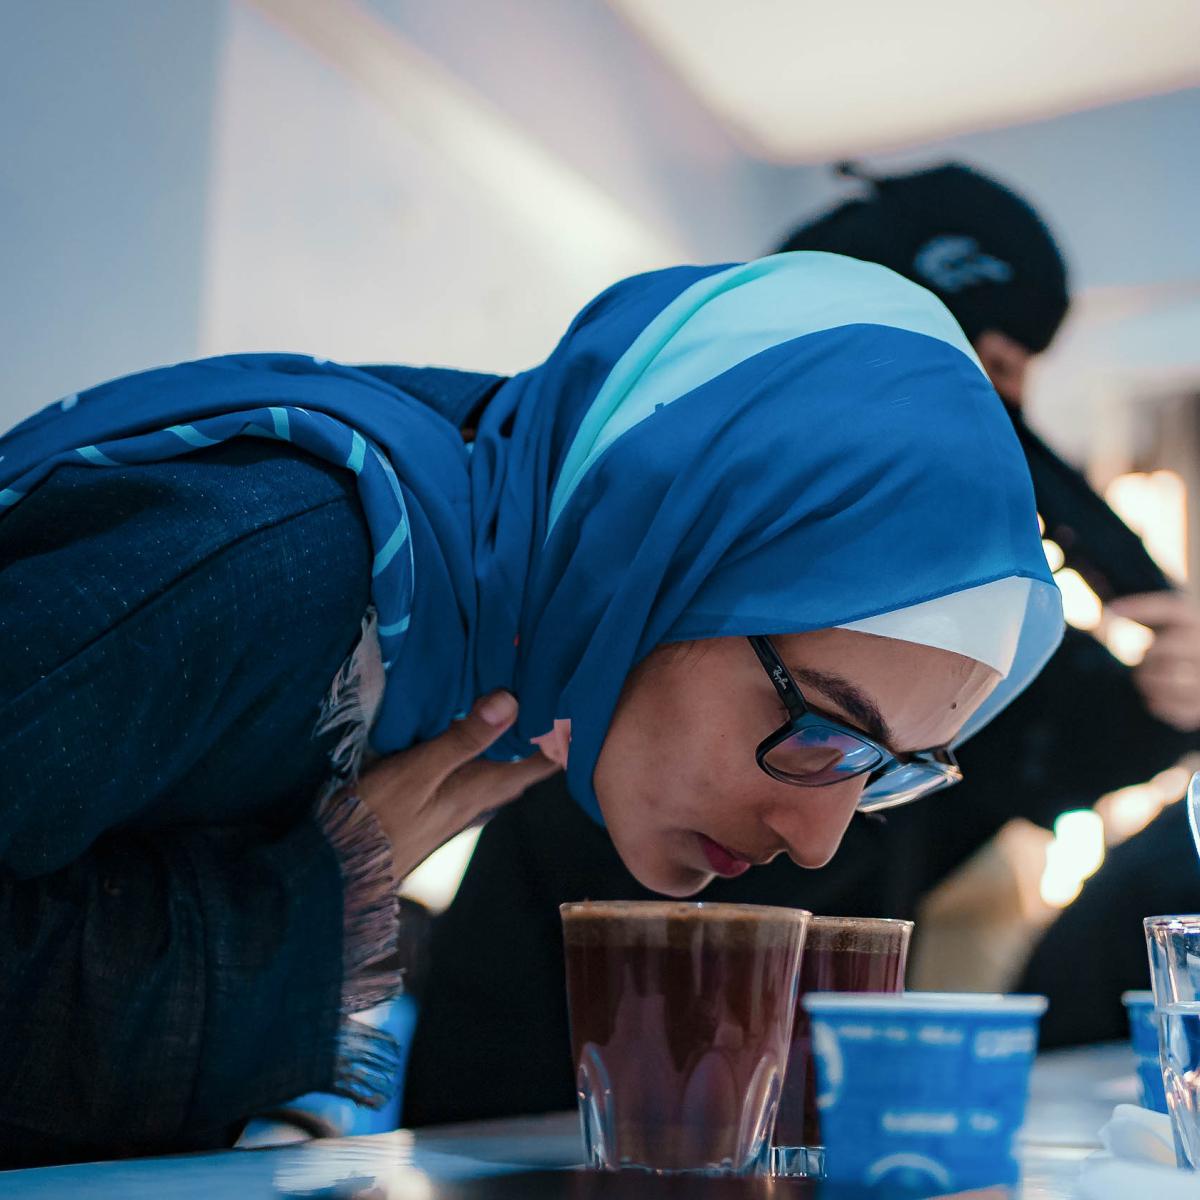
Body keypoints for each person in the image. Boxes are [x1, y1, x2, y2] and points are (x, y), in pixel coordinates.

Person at [0, 252, 1059, 1165]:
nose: (820, 841)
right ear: (661, 555)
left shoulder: (452, 652)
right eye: (823, 726)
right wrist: (313, 905)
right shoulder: (265, 566)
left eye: (885, 768)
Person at [402, 163, 1200, 1127]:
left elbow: (1062, 740)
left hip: (806, 1111)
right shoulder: (572, 593)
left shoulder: (957, 654)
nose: (1002, 419)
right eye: (979, 377)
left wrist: (1161, 667)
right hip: (520, 1083)